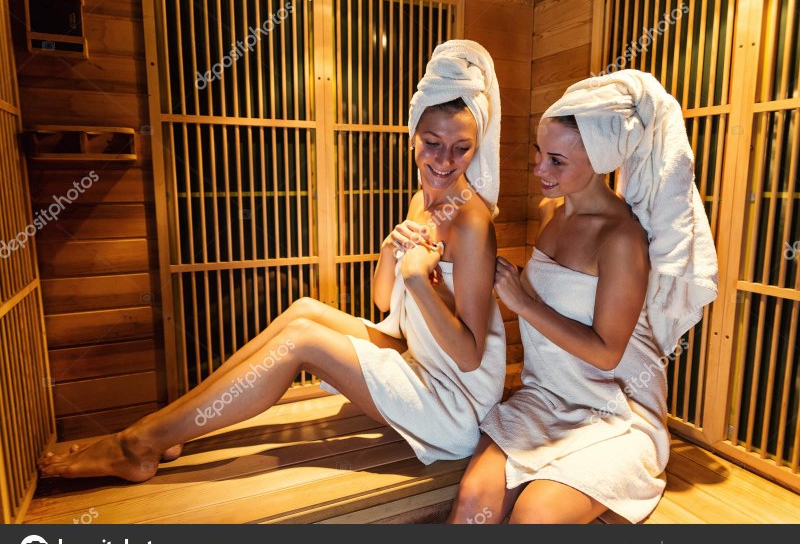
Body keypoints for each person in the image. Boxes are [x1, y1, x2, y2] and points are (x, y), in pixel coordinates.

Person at [38, 39, 507, 481]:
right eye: (432, 142)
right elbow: (385, 303)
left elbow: (468, 358)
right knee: (303, 310)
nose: (444, 160)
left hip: (453, 401)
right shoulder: (420, 200)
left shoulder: (471, 223)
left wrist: (420, 282)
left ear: (476, 145)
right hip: (417, 355)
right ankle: (159, 427)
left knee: (302, 340)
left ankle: (137, 445)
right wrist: (391, 252)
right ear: (411, 135)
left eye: (461, 148)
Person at [448, 69, 719, 524]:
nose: (539, 170)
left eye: (557, 160)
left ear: (598, 160)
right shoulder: (551, 210)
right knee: (475, 503)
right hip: (545, 398)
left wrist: (524, 303)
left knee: (533, 518)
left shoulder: (621, 239)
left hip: (615, 413)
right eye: (539, 153)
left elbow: (608, 353)